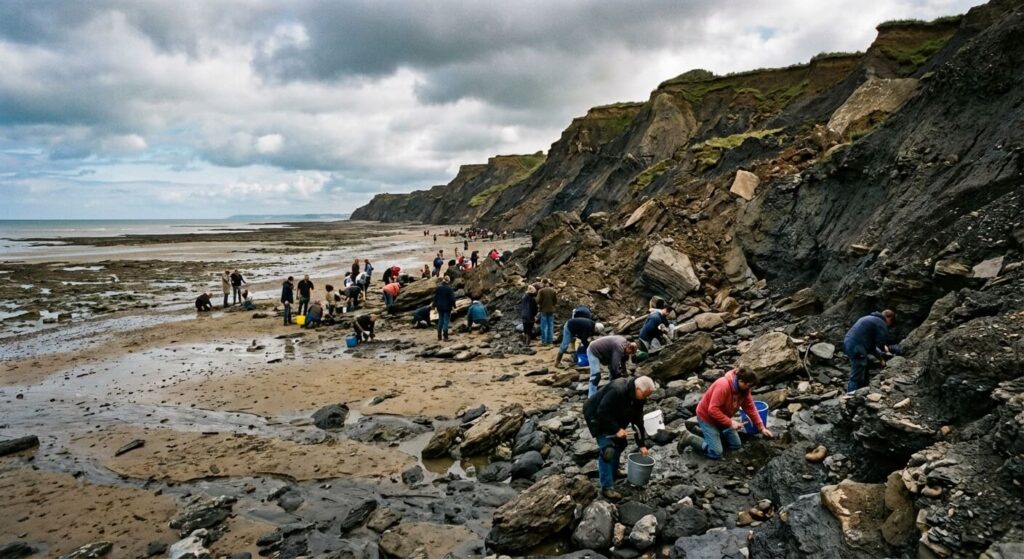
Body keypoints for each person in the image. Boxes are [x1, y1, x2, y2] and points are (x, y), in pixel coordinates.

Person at [583, 376, 655, 500]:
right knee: (608, 450)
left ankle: (613, 471)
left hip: (614, 416)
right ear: (637, 389)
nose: (645, 398)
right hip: (595, 415)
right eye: (644, 395)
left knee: (621, 444)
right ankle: (607, 487)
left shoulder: (639, 398)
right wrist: (616, 429)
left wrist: (641, 445)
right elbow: (602, 412)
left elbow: (638, 422)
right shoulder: (617, 390)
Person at [681, 367, 774, 460]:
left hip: (722, 417)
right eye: (749, 386)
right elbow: (712, 409)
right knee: (716, 453)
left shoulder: (744, 390)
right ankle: (689, 438)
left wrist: (761, 428)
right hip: (707, 417)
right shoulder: (723, 385)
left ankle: (710, 434)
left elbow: (751, 408)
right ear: (741, 381)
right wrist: (730, 422)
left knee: (736, 445)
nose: (749, 389)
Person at [844, 309, 901, 393]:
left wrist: (880, 358)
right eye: (890, 323)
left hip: (848, 343)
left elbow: (871, 347)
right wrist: (887, 350)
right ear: (889, 318)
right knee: (856, 374)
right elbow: (881, 343)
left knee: (864, 366)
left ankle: (862, 391)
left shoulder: (868, 318)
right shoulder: (881, 323)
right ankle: (850, 397)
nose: (888, 325)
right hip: (857, 347)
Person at [433, 275, 456, 341]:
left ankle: (439, 336)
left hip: (439, 307)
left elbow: (435, 298)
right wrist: (454, 306)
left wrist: (435, 306)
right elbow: (452, 299)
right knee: (446, 322)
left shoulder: (438, 288)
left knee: (440, 321)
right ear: (448, 281)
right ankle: (445, 337)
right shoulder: (449, 289)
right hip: (447, 307)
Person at [537, 279, 558, 345]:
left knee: (544, 326)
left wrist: (540, 305)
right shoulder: (553, 290)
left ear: (543, 283)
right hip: (551, 310)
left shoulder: (541, 291)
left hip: (543, 310)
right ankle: (550, 341)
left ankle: (544, 341)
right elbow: (555, 301)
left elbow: (538, 301)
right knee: (551, 325)